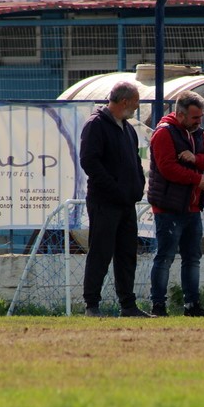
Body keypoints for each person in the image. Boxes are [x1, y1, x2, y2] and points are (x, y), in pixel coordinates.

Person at [79, 81, 150, 317]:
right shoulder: (96, 125)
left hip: (126, 203)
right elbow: (89, 162)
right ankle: (92, 305)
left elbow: (136, 162)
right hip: (104, 202)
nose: (137, 107)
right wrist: (115, 189)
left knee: (127, 255)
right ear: (125, 101)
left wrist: (137, 187)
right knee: (100, 253)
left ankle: (128, 305)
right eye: (136, 102)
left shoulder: (128, 129)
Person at [147, 91, 204, 317]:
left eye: (201, 117)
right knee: (165, 258)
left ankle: (192, 306)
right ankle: (158, 307)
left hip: (192, 208)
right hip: (168, 208)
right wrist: (198, 178)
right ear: (180, 115)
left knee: (192, 259)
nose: (199, 122)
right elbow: (168, 169)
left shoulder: (198, 133)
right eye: (195, 117)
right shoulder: (163, 133)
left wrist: (195, 158)